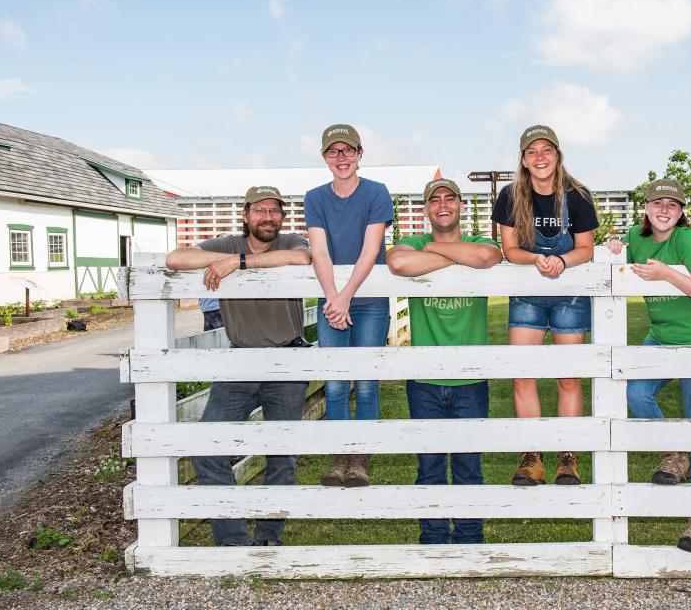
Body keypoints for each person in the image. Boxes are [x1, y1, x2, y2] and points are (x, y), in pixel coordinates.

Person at [165, 186, 312, 546]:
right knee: (206, 445)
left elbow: (303, 259)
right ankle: (233, 541)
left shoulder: (290, 240)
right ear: (245, 216)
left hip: (287, 360)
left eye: (275, 210)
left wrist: (239, 264)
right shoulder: (228, 243)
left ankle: (267, 539)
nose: (268, 217)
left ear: (283, 217)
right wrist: (225, 257)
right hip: (240, 360)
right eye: (259, 210)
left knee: (282, 455)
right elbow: (174, 259)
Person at [606, 178, 691, 553]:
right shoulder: (636, 239)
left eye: (672, 205)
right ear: (646, 207)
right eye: (657, 203)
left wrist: (668, 273)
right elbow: (616, 258)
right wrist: (613, 249)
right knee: (636, 392)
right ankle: (678, 453)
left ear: (680, 211)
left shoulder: (685, 241)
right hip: (660, 336)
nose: (664, 210)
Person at [386, 177, 503, 544]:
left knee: (469, 466)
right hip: (424, 379)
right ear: (426, 209)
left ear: (460, 206)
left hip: (470, 379)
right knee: (430, 466)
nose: (442, 204)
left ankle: (469, 539)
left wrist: (435, 253)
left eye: (449, 198)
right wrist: (452, 254)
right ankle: (434, 539)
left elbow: (487, 257)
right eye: (434, 200)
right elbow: (399, 262)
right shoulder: (414, 243)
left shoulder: (479, 241)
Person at [492, 125, 599, 486]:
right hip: (527, 293)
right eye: (532, 151)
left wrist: (563, 261)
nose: (540, 157)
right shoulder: (510, 196)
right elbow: (510, 249)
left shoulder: (578, 196)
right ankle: (532, 458)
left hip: (570, 293)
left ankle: (567, 459)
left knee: (567, 377)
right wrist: (536, 259)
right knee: (524, 376)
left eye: (546, 150)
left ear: (557, 155)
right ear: (523, 159)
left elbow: (586, 249)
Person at [304, 124, 393, 488]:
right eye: (333, 152)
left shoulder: (376, 193)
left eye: (347, 151)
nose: (341, 158)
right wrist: (332, 300)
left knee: (367, 383)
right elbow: (319, 251)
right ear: (325, 158)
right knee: (336, 383)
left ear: (360, 154)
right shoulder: (315, 198)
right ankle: (340, 457)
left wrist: (346, 296)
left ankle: (360, 460)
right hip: (332, 301)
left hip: (368, 300)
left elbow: (371, 250)